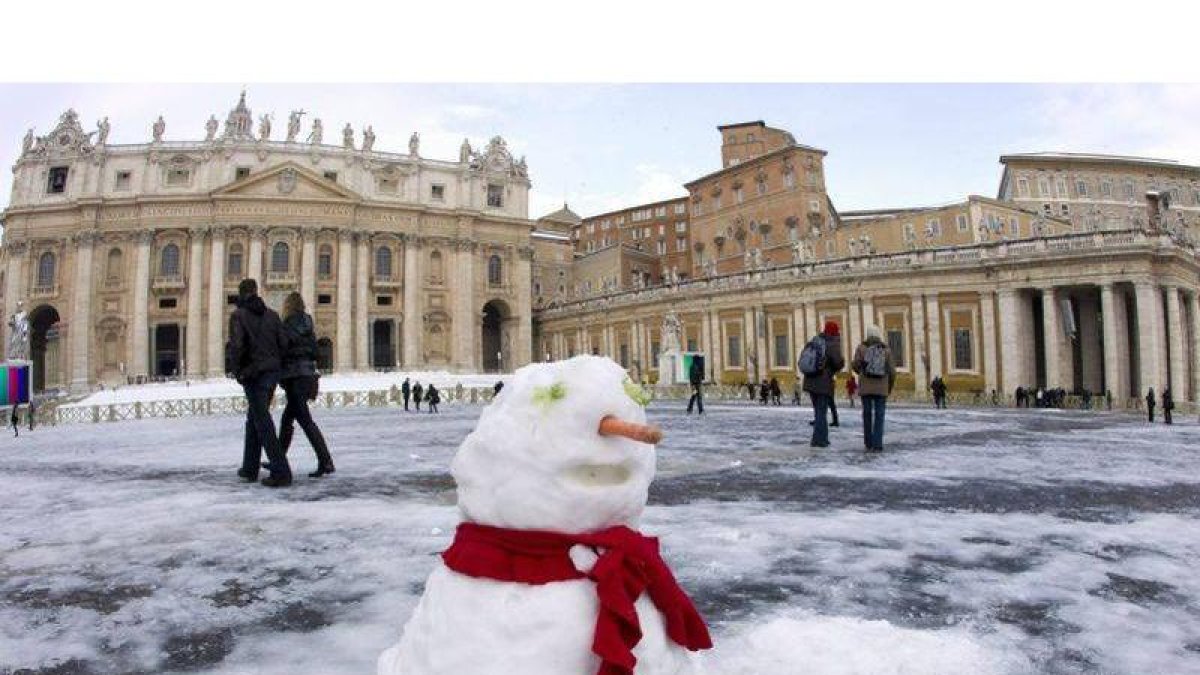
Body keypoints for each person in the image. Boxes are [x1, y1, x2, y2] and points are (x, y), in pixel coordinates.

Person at [225, 278, 292, 488]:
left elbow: (236, 346)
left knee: (262, 421)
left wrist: (238, 371)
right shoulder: (272, 315)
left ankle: (281, 471)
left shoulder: (238, 316)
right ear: (256, 291)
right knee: (254, 418)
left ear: (241, 293)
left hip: (253, 374)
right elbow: (284, 343)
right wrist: (276, 364)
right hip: (271, 374)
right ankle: (250, 467)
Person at [277, 292, 334, 478]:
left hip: (295, 377)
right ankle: (279, 459)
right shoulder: (308, 326)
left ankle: (325, 461)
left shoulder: (287, 326)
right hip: (308, 377)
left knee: (304, 422)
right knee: (291, 420)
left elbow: (284, 350)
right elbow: (316, 352)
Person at [852, 325, 896, 452]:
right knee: (879, 415)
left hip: (866, 387)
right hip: (881, 387)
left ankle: (868, 442)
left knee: (867, 414)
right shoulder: (886, 350)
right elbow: (892, 371)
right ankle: (877, 443)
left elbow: (856, 366)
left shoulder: (861, 348)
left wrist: (859, 368)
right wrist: (889, 387)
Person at [801, 320, 844, 448]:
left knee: (818, 412)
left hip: (810, 380)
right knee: (821, 412)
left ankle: (822, 438)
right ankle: (819, 440)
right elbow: (838, 362)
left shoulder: (813, 341)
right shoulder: (832, 344)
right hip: (823, 382)